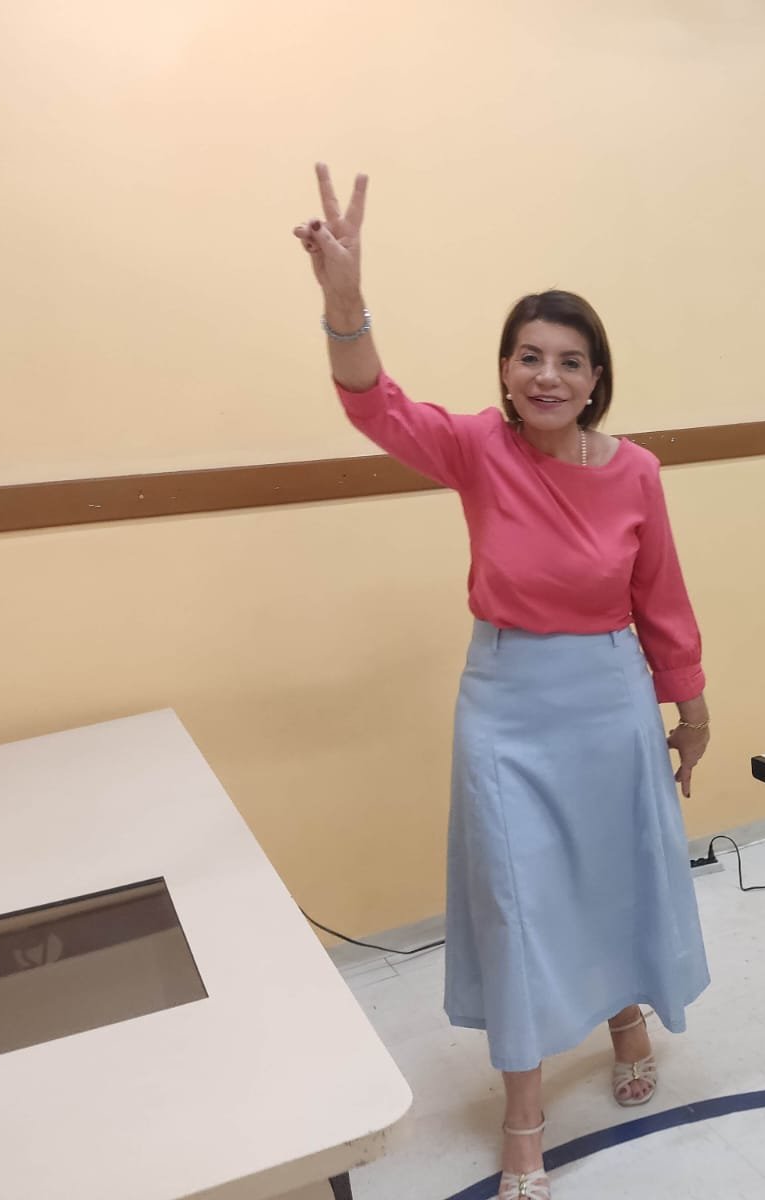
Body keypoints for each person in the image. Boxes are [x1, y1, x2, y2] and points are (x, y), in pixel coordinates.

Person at [293, 164, 712, 1200]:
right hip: (505, 703)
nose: (546, 376)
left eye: (568, 361)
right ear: (505, 369)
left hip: (610, 698)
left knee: (610, 873)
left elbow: (660, 597)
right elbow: (374, 408)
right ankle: (523, 1115)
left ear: (596, 375)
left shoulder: (637, 473)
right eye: (528, 357)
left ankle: (623, 1013)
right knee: (517, 897)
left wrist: (689, 703)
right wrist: (345, 303)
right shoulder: (479, 448)